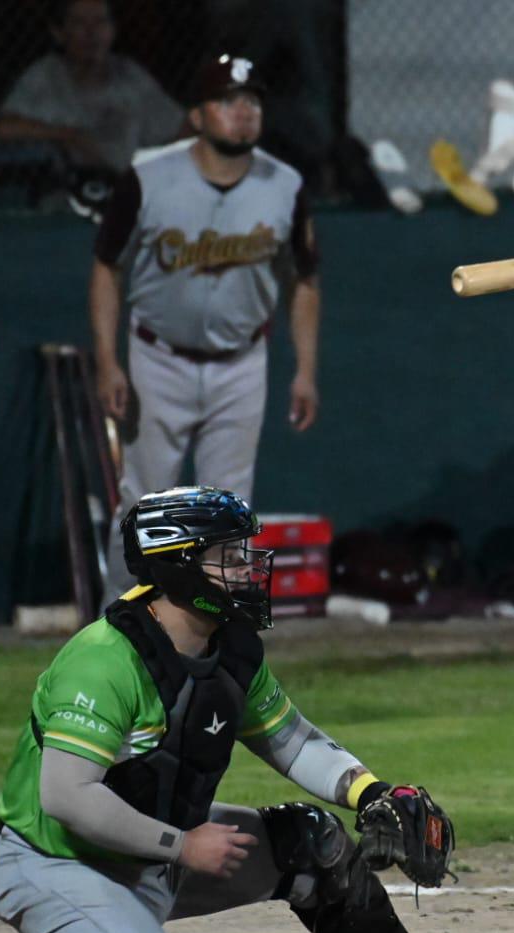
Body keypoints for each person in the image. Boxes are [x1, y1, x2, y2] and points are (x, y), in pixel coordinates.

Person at [0, 487, 493, 933]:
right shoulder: (104, 660)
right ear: (178, 565)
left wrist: (370, 793)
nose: (248, 568)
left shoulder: (229, 649)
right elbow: (67, 797)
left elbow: (291, 741)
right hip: (59, 864)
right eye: (229, 556)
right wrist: (181, 845)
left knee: (311, 840)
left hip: (156, 854)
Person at [92, 54, 320, 599]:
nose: (243, 111)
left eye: (252, 100)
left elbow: (305, 280)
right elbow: (106, 266)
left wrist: (306, 370)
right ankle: (115, 630)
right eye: (226, 100)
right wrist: (107, 361)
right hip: (158, 358)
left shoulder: (284, 185)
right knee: (145, 507)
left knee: (227, 515)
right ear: (196, 115)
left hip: (241, 363)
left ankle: (216, 636)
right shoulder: (148, 177)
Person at [0, 0, 184, 176]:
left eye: (100, 22)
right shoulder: (47, 74)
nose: (91, 32)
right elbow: (5, 128)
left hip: (131, 186)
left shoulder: (130, 75)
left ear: (113, 30)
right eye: (79, 23)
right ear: (59, 33)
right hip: (68, 189)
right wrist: (71, 136)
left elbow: (178, 128)